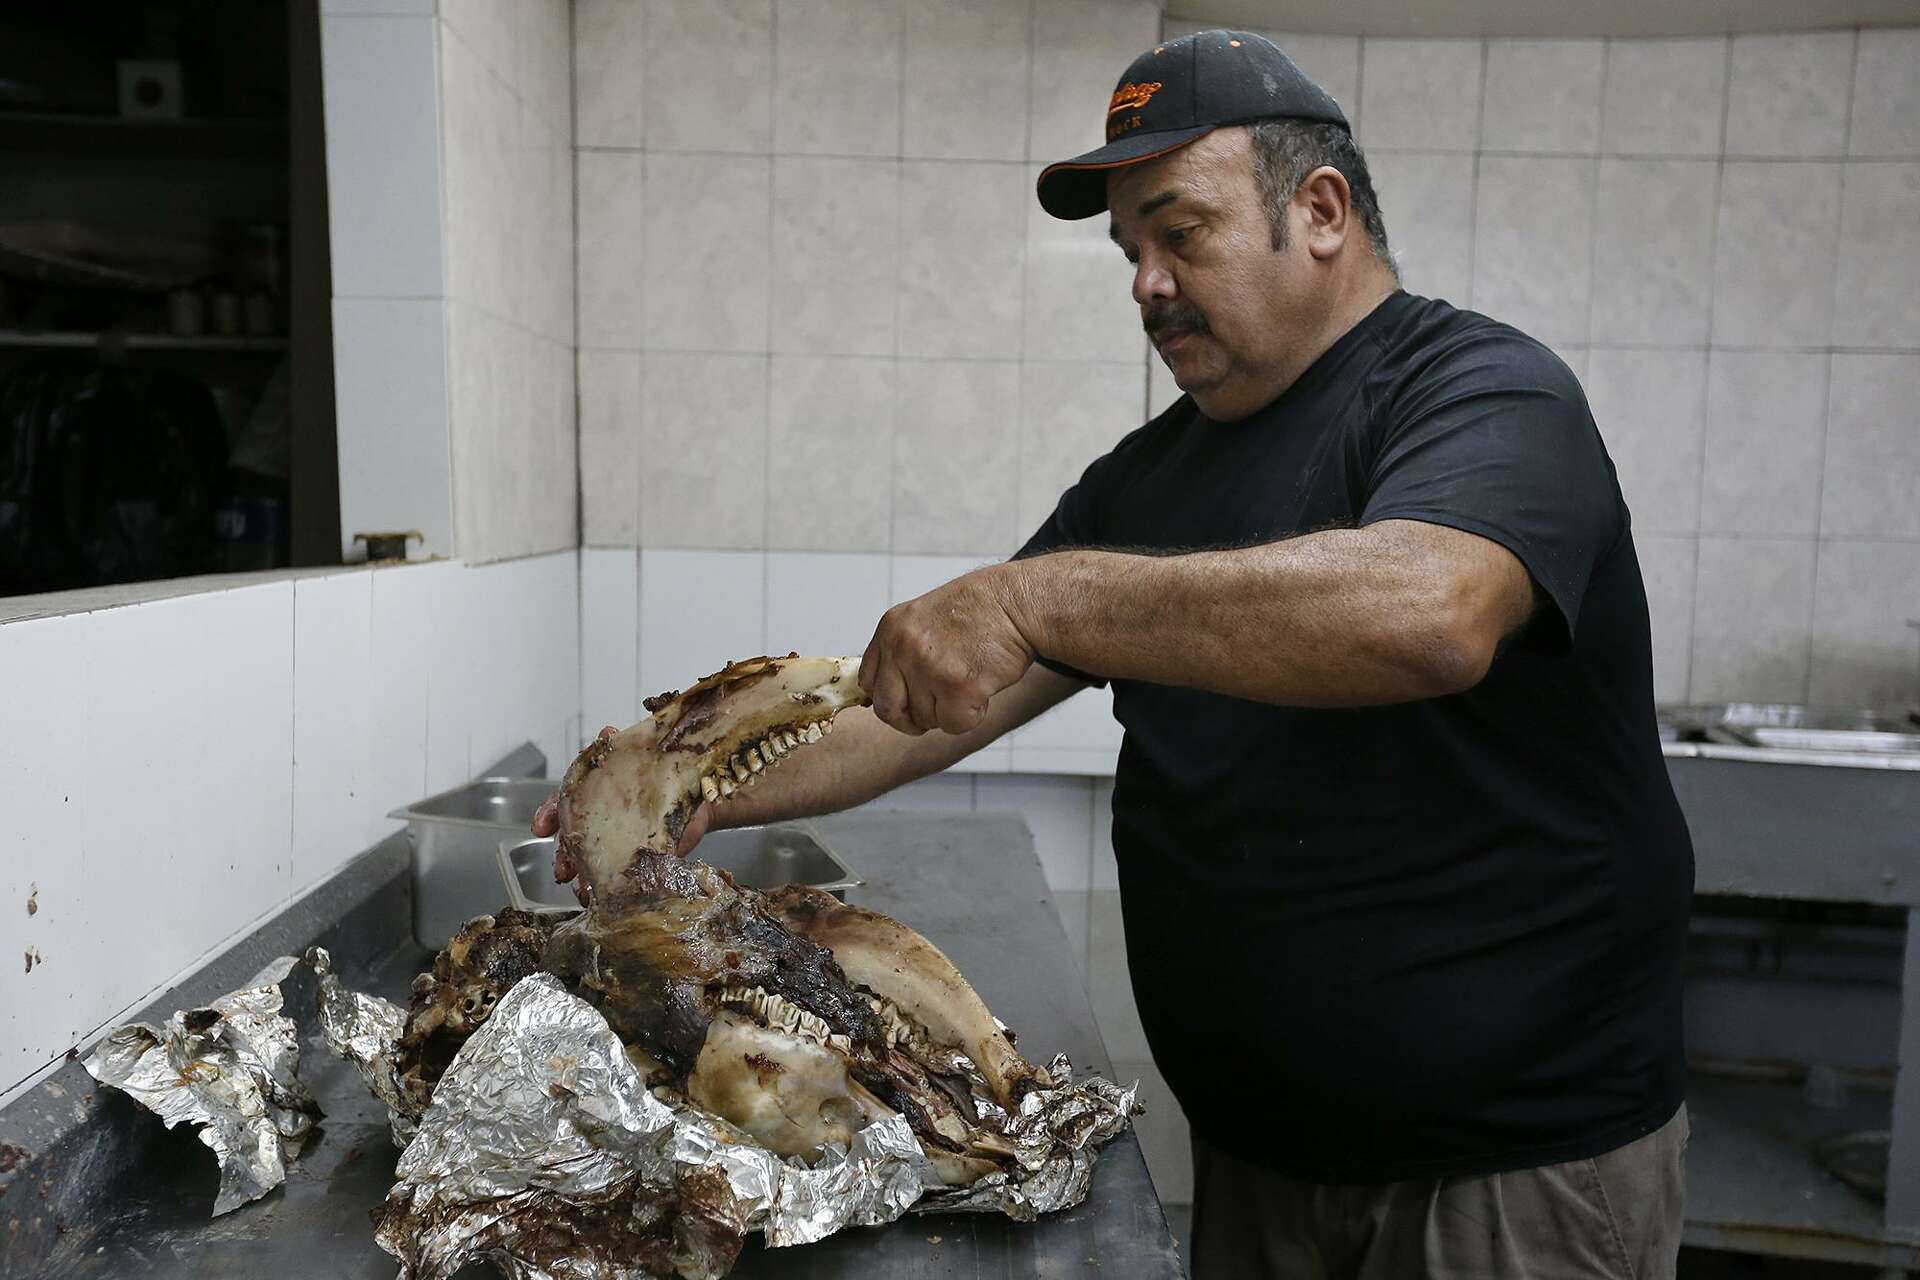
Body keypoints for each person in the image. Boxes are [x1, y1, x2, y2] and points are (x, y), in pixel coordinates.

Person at [545, 28, 1695, 1280]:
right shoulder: (1146, 483)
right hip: (1257, 1156)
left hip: (1501, 1174)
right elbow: (926, 704)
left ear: (1318, 211)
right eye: (1129, 252)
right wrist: (681, 794)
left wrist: (1044, 596)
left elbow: (1431, 610)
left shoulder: (1480, 390)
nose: (1146, 281)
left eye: (1180, 233)